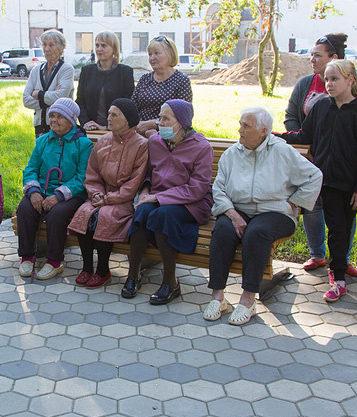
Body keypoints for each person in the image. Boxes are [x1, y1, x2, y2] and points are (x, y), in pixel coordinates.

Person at [206, 108, 322, 325]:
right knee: (222, 230)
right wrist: (231, 213)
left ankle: (248, 299)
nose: (240, 130)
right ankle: (217, 296)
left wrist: (295, 202)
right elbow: (219, 188)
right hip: (238, 208)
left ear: (264, 131)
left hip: (274, 212)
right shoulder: (233, 154)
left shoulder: (282, 152)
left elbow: (314, 175)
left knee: (256, 232)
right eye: (240, 124)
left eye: (246, 126)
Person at [276, 60, 357, 302]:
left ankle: (338, 277)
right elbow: (304, 135)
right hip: (322, 181)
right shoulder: (321, 107)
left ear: (350, 80)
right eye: (327, 79)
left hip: (347, 185)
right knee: (333, 228)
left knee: (340, 230)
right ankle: (334, 271)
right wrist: (276, 136)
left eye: (335, 79)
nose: (329, 84)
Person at [284, 33, 357, 278]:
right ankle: (317, 254)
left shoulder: (352, 88)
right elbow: (292, 117)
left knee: (343, 210)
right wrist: (304, 148)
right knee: (312, 205)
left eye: (318, 55)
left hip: (340, 162)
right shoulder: (305, 84)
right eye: (312, 54)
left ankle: (342, 259)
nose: (312, 59)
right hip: (308, 158)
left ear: (334, 58)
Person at [124, 100, 212, 304]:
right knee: (142, 212)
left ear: (181, 122)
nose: (159, 122)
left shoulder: (201, 146)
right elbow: (148, 175)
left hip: (192, 203)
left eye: (165, 118)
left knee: (161, 214)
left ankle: (170, 282)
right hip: (158, 196)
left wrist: (157, 197)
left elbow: (197, 188)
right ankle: (133, 275)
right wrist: (145, 193)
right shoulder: (155, 142)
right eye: (159, 117)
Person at [68, 98, 148, 288]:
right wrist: (95, 193)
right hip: (101, 195)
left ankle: (103, 269)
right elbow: (92, 174)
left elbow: (135, 181)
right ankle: (87, 267)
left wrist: (109, 199)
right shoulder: (103, 141)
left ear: (127, 119)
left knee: (105, 216)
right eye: (109, 113)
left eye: (114, 114)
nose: (108, 118)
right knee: (83, 214)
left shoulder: (141, 145)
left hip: (125, 199)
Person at [17, 98, 93, 280]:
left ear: (71, 120)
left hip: (70, 193)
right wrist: (34, 192)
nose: (54, 120)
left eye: (59, 116)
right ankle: (26, 256)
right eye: (52, 116)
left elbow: (82, 177)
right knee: (25, 208)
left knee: (57, 213)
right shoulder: (43, 140)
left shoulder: (83, 144)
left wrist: (59, 196)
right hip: (42, 189)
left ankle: (54, 261)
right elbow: (31, 169)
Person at [132, 35, 193, 136]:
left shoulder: (181, 81)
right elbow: (133, 107)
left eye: (157, 53)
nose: (152, 58)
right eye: (150, 54)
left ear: (169, 54)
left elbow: (183, 116)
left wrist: (153, 124)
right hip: (138, 134)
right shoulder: (144, 79)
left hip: (168, 136)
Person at [77, 31, 135, 131]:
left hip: (117, 130)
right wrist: (86, 123)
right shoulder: (87, 71)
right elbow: (80, 102)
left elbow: (128, 103)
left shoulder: (125, 72)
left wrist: (107, 127)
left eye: (104, 45)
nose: (99, 49)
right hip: (90, 129)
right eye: (97, 45)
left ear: (114, 48)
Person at [23, 30, 75, 136]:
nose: (47, 49)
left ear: (61, 48)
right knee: (41, 152)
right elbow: (26, 100)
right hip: (40, 127)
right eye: (44, 45)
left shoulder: (66, 69)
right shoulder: (36, 70)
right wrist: (51, 98)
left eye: (51, 45)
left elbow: (61, 97)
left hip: (62, 128)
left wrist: (39, 94)